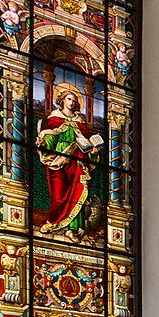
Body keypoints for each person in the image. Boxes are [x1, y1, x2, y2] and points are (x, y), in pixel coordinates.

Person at [35, 84, 102, 241]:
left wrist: (93, 151)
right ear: (62, 100)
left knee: (78, 193)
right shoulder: (55, 118)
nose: (72, 102)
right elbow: (51, 138)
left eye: (74, 100)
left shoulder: (80, 121)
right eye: (69, 99)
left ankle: (72, 230)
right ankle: (53, 223)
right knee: (58, 195)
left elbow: (86, 142)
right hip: (59, 161)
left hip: (78, 164)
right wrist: (44, 144)